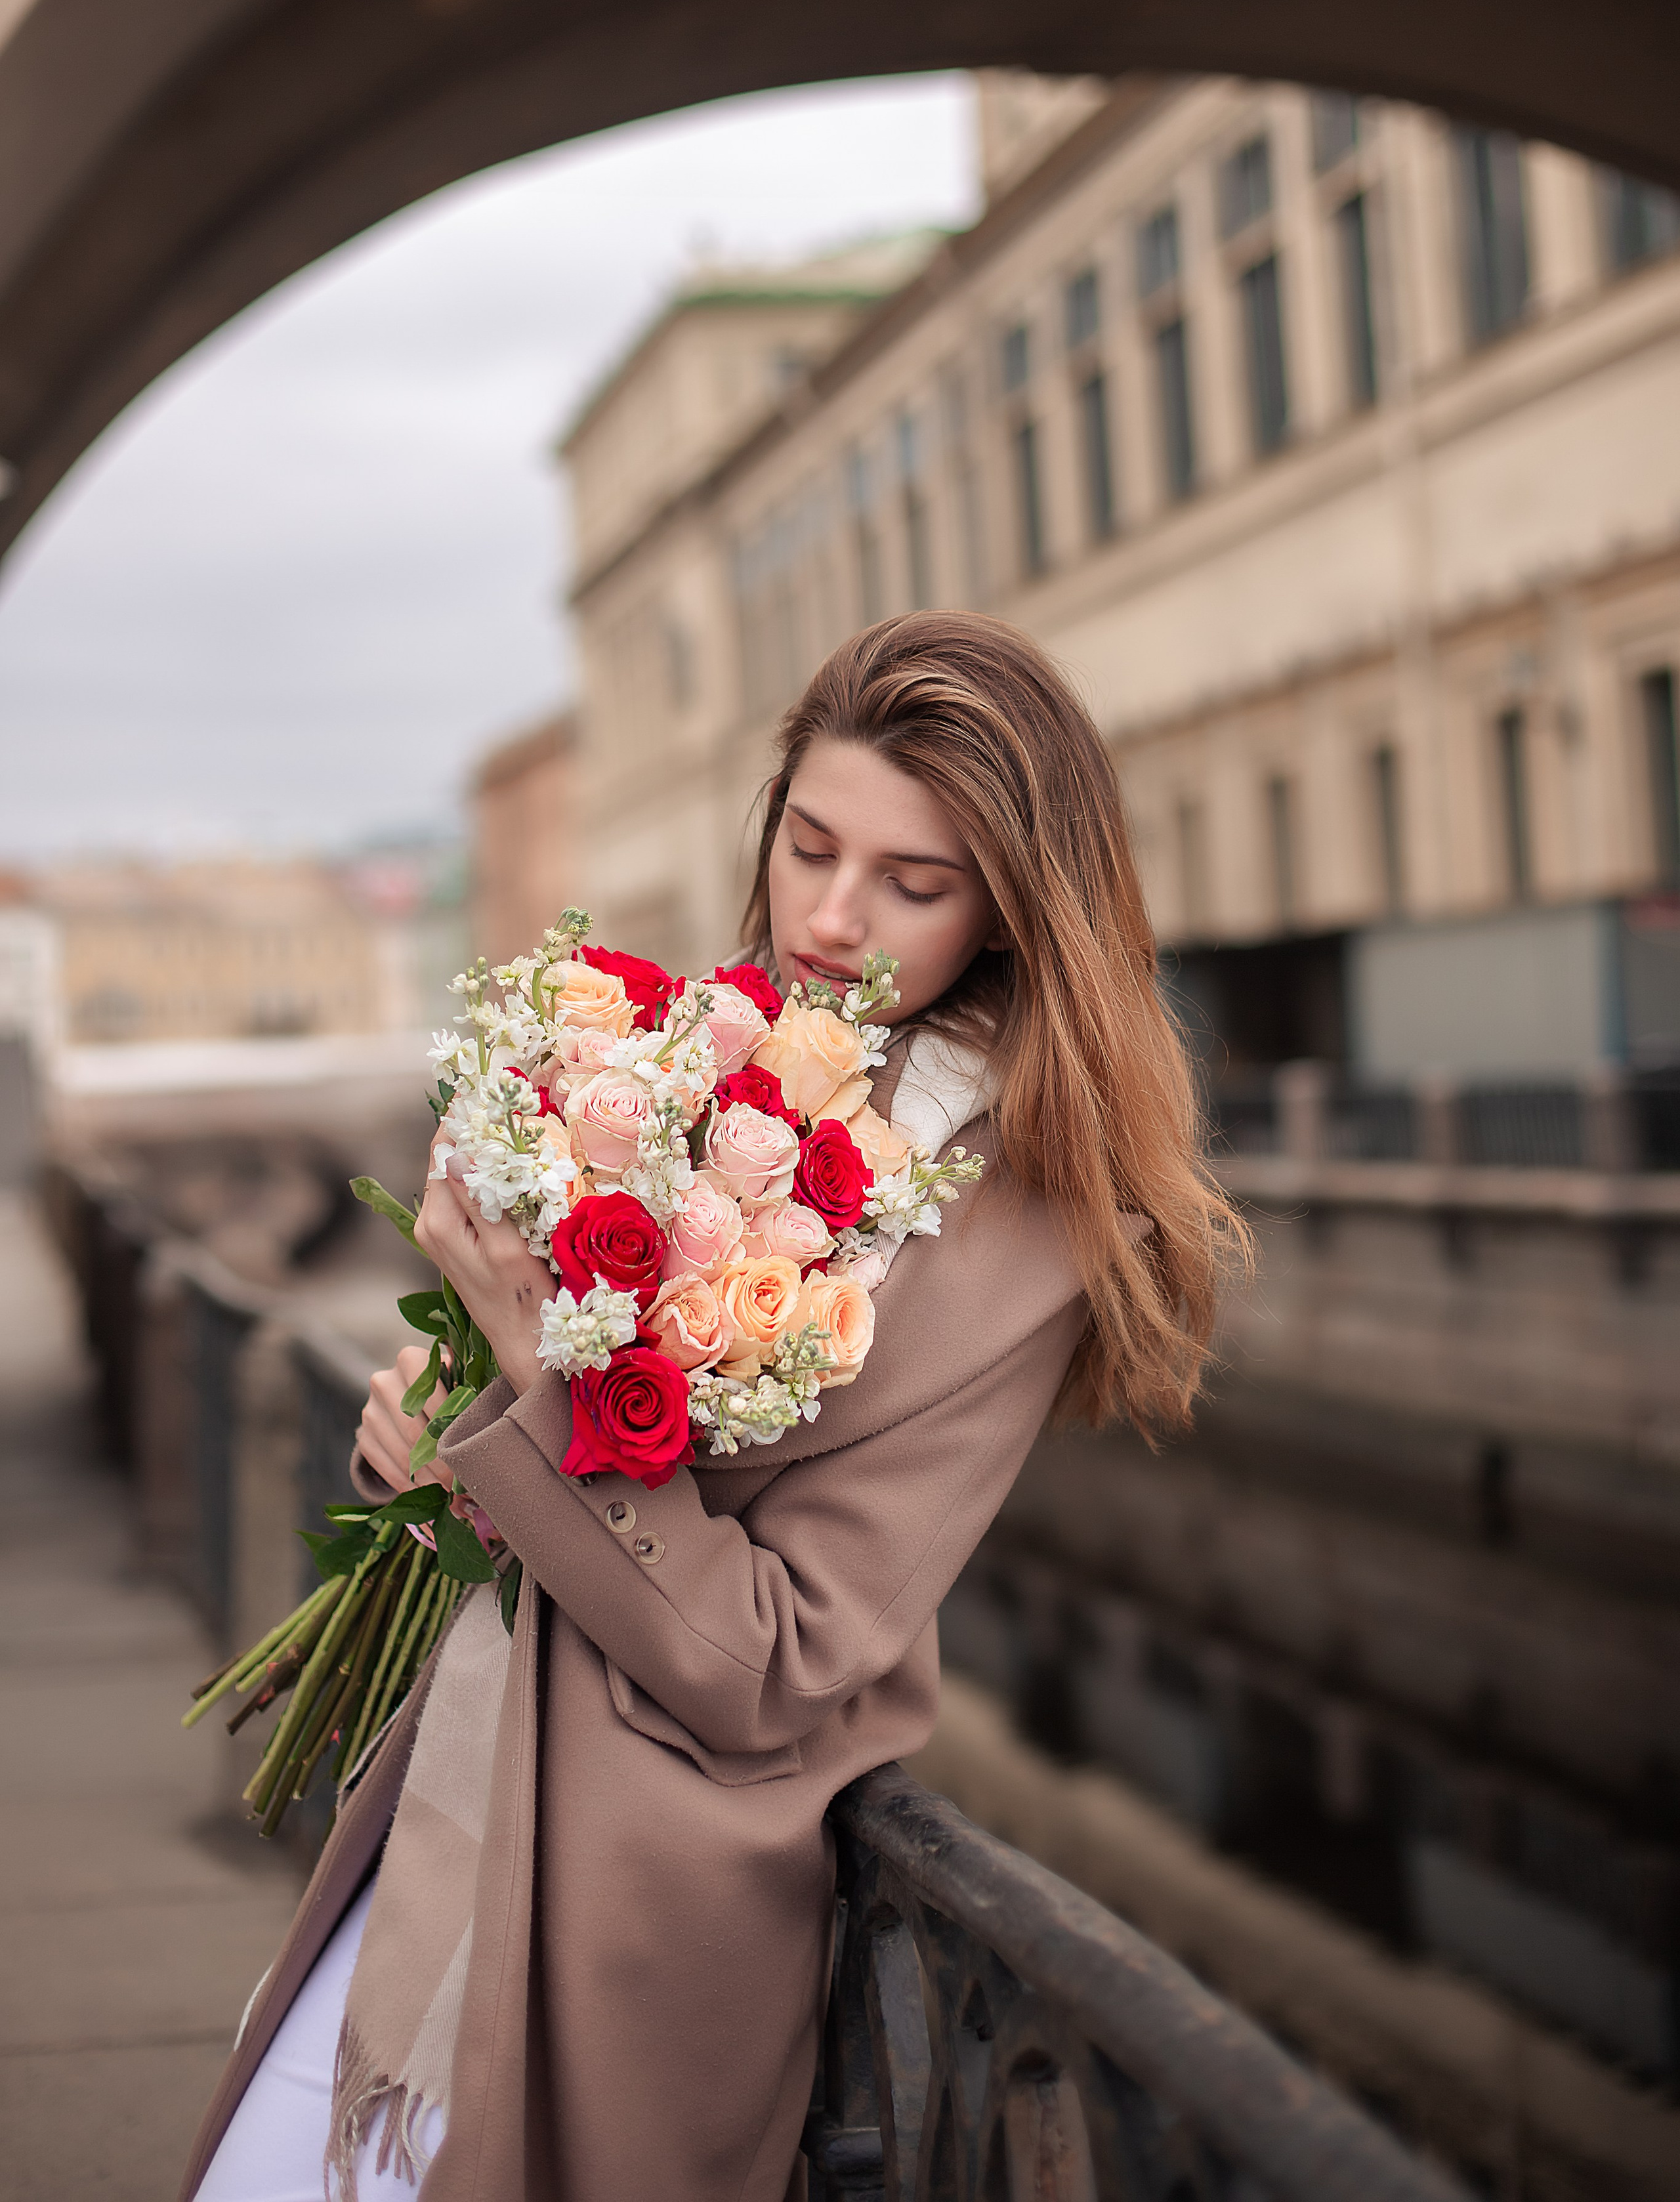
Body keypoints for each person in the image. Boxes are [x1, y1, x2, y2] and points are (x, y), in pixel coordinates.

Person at [181, 610, 1244, 2202]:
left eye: (913, 881)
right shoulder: (682, 1063)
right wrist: (435, 1432)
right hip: (457, 1775)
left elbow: (772, 1663)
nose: (828, 916)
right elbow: (542, 1436)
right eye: (809, 845)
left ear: (1016, 915)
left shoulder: (1021, 1247)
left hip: (627, 1883)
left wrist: (527, 1360)